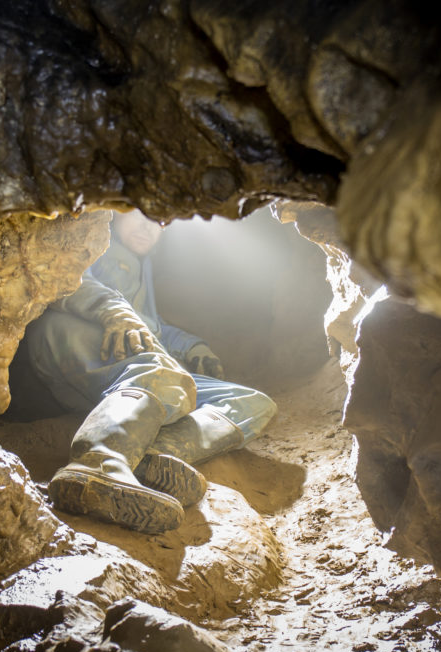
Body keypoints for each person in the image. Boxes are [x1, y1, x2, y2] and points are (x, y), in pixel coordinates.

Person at [27, 210, 277, 534]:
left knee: (252, 403)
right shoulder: (93, 239)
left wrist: (193, 346)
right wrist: (114, 311)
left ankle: (142, 454)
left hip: (130, 363)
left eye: (160, 221)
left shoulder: (141, 266)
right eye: (139, 214)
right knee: (163, 374)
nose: (149, 226)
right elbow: (64, 276)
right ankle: (97, 463)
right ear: (111, 212)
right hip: (72, 337)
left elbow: (152, 325)